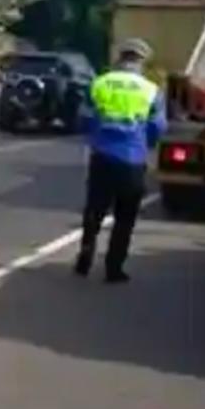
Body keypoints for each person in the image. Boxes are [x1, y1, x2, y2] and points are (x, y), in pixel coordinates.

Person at [75, 38, 166, 283]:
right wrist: (144, 143)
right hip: (132, 161)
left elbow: (83, 118)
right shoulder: (151, 90)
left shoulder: (99, 83)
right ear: (141, 61)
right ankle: (114, 268)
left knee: (94, 210)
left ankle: (86, 253)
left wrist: (97, 135)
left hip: (102, 157)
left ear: (120, 58)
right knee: (125, 217)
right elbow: (157, 127)